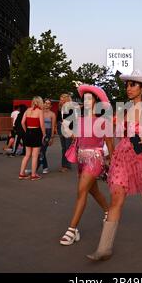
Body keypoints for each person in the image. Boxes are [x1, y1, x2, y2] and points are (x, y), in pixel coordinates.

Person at [87, 71, 142, 261]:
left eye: (132, 85)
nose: (128, 88)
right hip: (123, 157)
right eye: (127, 85)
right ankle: (104, 248)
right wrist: (110, 154)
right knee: (116, 199)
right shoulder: (126, 110)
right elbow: (118, 135)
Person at [60, 85, 115, 246]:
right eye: (85, 99)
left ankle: (72, 230)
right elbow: (75, 139)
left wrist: (112, 161)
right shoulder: (79, 120)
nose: (87, 101)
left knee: (81, 191)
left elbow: (110, 143)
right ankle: (107, 210)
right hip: (82, 159)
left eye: (90, 98)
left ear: (96, 102)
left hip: (95, 159)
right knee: (93, 190)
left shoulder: (102, 121)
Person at [18, 97, 46, 181]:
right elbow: (42, 125)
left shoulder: (27, 110)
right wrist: (44, 134)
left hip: (28, 131)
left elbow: (22, 122)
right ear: (39, 102)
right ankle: (33, 175)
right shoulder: (40, 111)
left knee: (27, 155)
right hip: (36, 132)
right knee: (34, 156)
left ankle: (21, 174)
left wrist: (26, 130)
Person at [37, 99, 57, 174]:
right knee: (38, 151)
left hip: (47, 133)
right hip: (39, 132)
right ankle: (44, 167)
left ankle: (37, 168)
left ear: (51, 105)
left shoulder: (52, 114)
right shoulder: (40, 112)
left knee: (42, 150)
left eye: (48, 103)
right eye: (45, 103)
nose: (47, 104)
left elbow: (53, 126)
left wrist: (52, 137)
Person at [57, 94, 74, 173]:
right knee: (63, 147)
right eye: (60, 99)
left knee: (68, 147)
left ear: (67, 100)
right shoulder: (60, 108)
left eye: (62, 99)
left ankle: (67, 165)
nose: (61, 101)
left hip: (68, 128)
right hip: (61, 127)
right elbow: (58, 119)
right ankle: (64, 165)